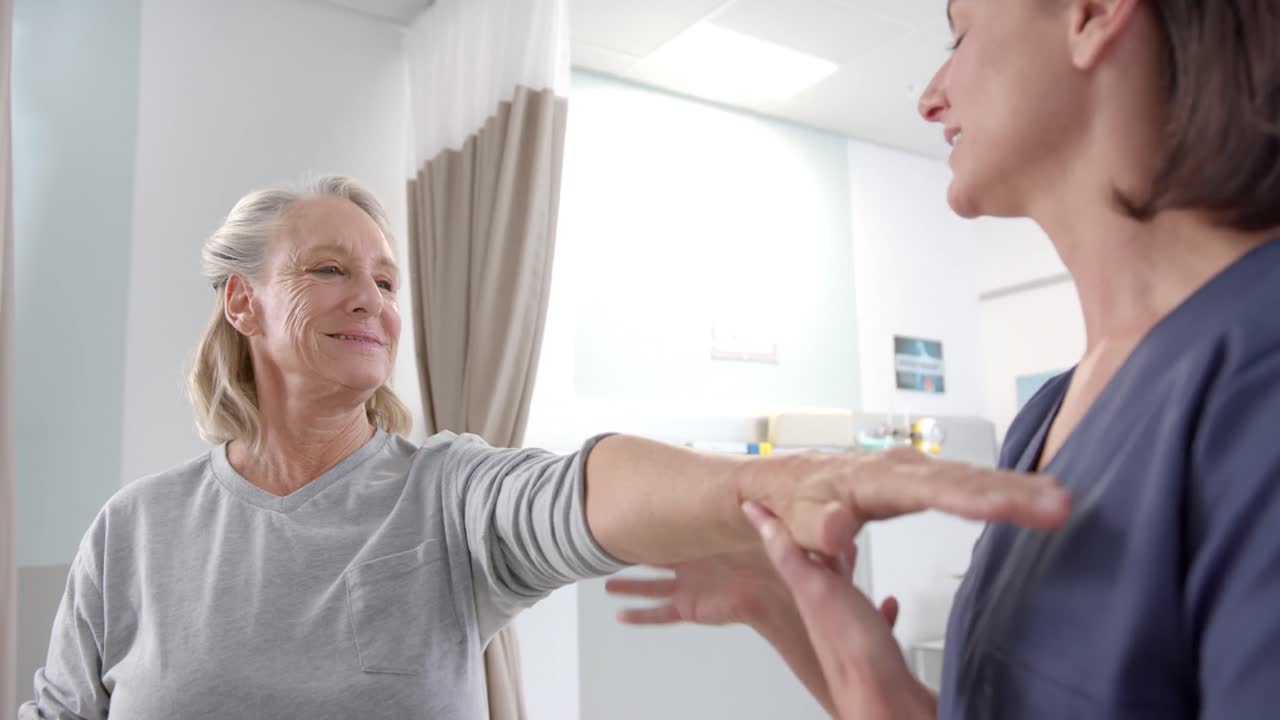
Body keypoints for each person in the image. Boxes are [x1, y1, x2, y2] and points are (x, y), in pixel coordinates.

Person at [18, 176, 1068, 719]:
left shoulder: (441, 494)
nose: (373, 301)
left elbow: (574, 493)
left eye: (387, 280)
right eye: (330, 270)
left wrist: (762, 482)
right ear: (244, 303)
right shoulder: (137, 531)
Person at [610, 0, 1280, 717]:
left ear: (1092, 13)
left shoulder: (1256, 381)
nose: (931, 98)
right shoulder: (1047, 417)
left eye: (960, 34)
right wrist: (799, 617)